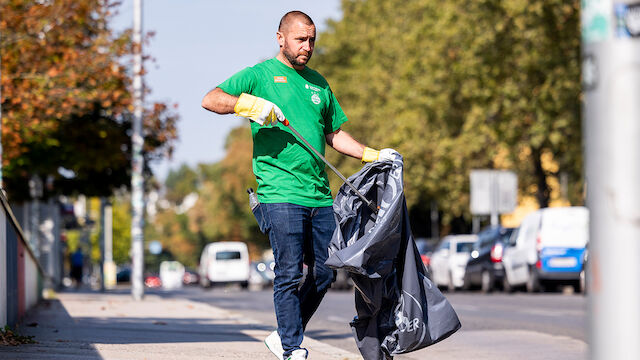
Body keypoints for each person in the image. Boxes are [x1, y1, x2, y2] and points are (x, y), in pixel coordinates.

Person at [201, 10, 396, 360]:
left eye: (312, 40)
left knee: (324, 273)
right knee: (289, 273)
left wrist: (372, 154)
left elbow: (334, 134)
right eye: (300, 39)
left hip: (319, 194)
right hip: (279, 192)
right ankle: (292, 348)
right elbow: (210, 99)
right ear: (280, 38)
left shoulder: (319, 83)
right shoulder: (260, 74)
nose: (307, 46)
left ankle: (283, 335)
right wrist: (248, 105)